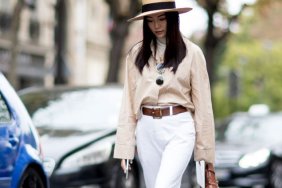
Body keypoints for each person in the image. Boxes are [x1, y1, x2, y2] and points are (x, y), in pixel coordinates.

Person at [114, 0, 217, 187]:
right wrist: (125, 148)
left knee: (164, 185)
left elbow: (203, 106)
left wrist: (205, 153)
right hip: (146, 129)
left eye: (162, 18)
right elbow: (128, 103)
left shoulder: (192, 53)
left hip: (180, 128)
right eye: (151, 20)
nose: (157, 25)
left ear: (173, 18)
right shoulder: (136, 54)